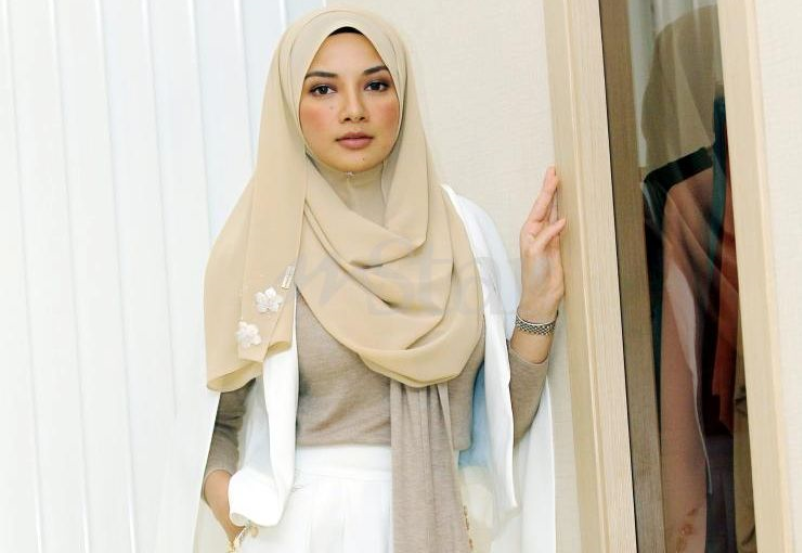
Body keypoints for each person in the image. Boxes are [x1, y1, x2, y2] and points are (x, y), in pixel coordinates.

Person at [153, 6, 565, 553]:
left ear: (403, 97)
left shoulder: (463, 232)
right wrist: (241, 520)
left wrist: (538, 301)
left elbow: (500, 423)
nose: (353, 110)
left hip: (440, 515)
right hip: (309, 529)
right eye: (323, 89)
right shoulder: (265, 243)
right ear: (290, 106)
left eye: (375, 84)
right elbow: (214, 424)